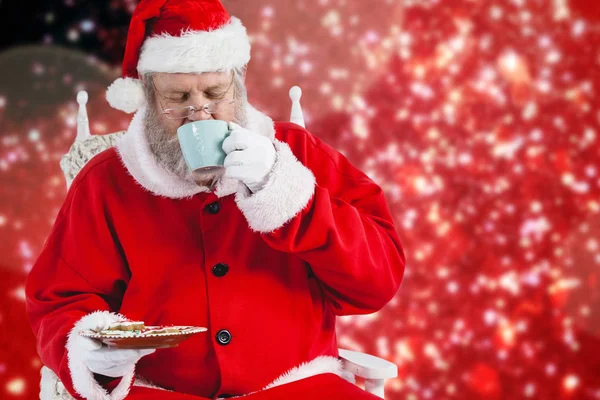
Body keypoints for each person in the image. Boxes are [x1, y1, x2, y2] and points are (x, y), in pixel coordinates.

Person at [25, 0, 406, 399]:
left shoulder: (299, 154)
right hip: (160, 392)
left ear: (238, 85)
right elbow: (59, 299)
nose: (200, 115)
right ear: (149, 101)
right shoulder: (106, 180)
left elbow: (376, 282)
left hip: (296, 387)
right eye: (177, 97)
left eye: (214, 92)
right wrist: (91, 350)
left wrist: (285, 192)